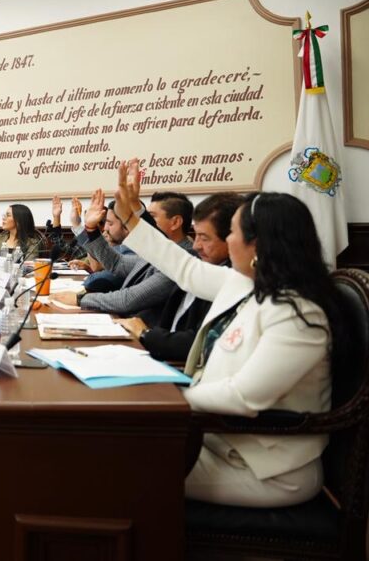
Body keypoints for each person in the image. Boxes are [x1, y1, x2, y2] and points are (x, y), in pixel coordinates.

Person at [114, 159, 336, 507]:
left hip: (262, 468)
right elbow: (185, 268)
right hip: (211, 439)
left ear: (257, 245)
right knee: (106, 451)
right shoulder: (247, 283)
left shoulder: (299, 314)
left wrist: (163, 398)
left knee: (112, 469)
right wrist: (131, 219)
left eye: (231, 232)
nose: (227, 240)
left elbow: (245, 396)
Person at [117, 193, 244, 362]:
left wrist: (145, 333)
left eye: (204, 238)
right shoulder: (198, 260)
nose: (196, 245)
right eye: (196, 236)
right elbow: (163, 247)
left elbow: (196, 344)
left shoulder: (235, 281)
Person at [49, 190, 186, 316]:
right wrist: (90, 229)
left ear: (175, 222)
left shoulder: (179, 261)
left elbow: (127, 300)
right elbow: (117, 263)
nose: (141, 223)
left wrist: (80, 299)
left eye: (150, 217)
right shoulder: (160, 254)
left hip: (144, 331)